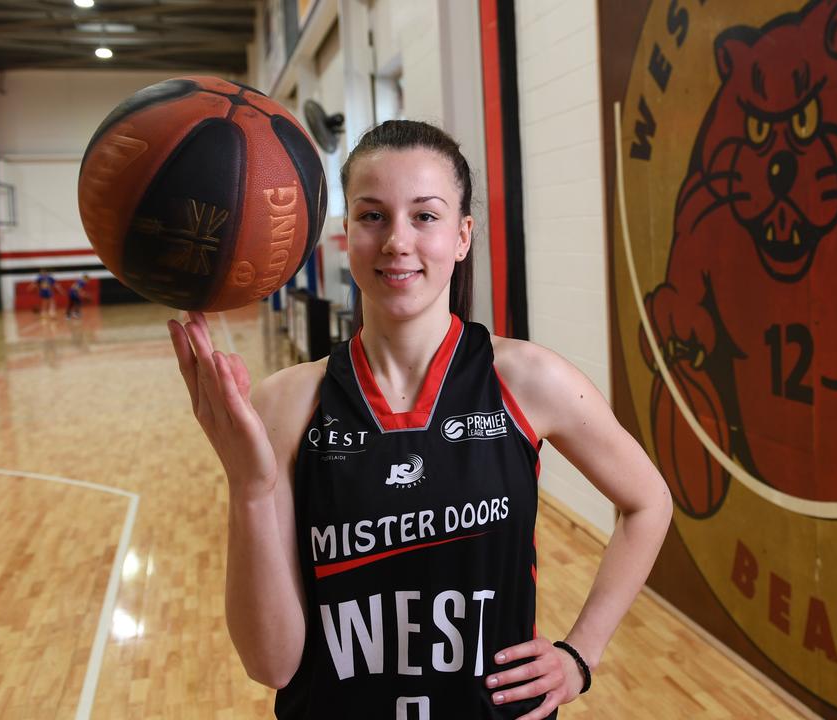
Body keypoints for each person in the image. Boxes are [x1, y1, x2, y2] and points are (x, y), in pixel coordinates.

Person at [168, 120, 672, 719]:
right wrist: (249, 492)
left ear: (463, 237)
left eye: (425, 216)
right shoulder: (286, 404)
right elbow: (272, 664)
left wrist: (580, 654)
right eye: (372, 216)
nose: (396, 241)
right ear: (346, 232)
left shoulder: (528, 382)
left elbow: (649, 503)